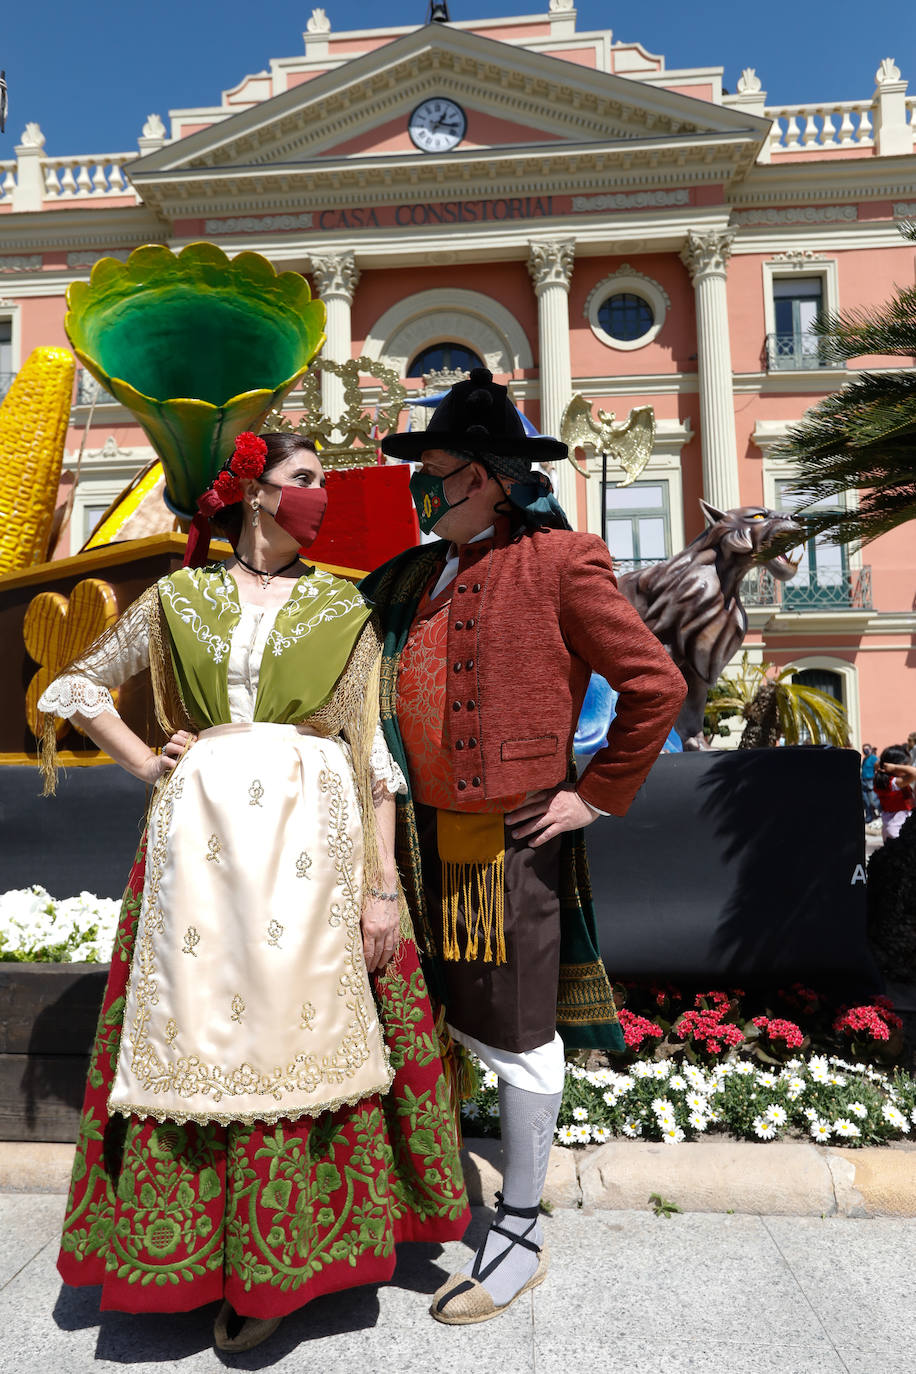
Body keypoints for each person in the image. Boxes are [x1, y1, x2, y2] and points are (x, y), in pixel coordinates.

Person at [38, 432, 468, 1353]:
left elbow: (370, 753)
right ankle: (195, 1260)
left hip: (315, 844)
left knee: (298, 1034)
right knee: (199, 1035)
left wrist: (382, 887)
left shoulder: (341, 605)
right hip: (201, 849)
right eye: (306, 481)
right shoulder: (180, 596)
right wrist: (150, 759)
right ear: (255, 495)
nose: (322, 496)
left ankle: (287, 1262)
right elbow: (77, 684)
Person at [362, 370, 686, 1325]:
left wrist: (596, 796)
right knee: (430, 1031)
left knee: (517, 1039)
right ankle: (426, 1190)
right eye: (422, 471)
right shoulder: (413, 576)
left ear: (494, 477)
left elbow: (654, 686)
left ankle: (521, 1227)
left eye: (442, 471)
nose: (425, 488)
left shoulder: (565, 559)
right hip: (412, 847)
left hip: (508, 843)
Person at [875, 744, 915, 841]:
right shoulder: (893, 783)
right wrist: (895, 767)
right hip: (898, 829)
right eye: (905, 765)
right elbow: (914, 772)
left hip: (892, 827)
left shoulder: (885, 781)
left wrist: (891, 766)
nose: (908, 767)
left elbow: (877, 764)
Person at [861, 744, 880, 823]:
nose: (865, 751)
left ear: (870, 749)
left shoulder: (874, 758)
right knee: (866, 801)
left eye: (867, 749)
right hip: (863, 781)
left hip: (871, 781)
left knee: (873, 800)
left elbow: (878, 768)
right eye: (864, 749)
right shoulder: (864, 759)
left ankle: (880, 815)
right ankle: (870, 816)